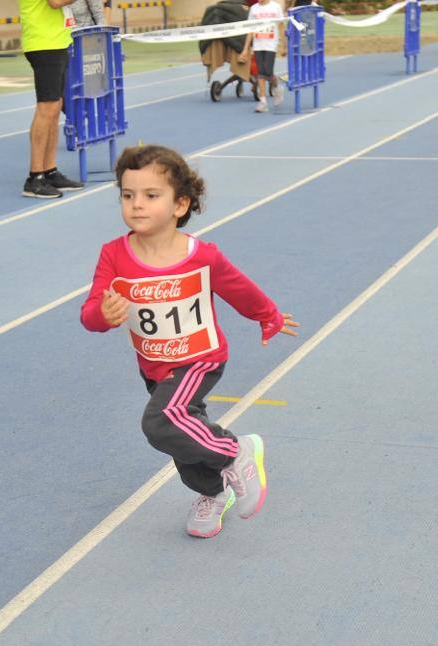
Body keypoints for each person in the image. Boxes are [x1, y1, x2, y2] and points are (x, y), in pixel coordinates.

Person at [80, 145, 299, 538]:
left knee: (161, 422)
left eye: (151, 195)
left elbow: (239, 289)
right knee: (181, 434)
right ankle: (212, 492)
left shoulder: (201, 256)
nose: (137, 205)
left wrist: (268, 317)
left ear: (180, 204)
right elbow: (92, 311)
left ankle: (235, 451)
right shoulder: (113, 255)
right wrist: (102, 315)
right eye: (127, 196)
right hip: (154, 364)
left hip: (200, 358)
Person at [19, 0, 85, 198]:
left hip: (57, 40)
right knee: (46, 108)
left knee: (55, 106)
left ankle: (49, 170)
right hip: (44, 42)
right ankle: (35, 177)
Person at [238, 0, 284, 113]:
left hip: (271, 44)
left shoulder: (275, 7)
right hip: (258, 45)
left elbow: (281, 26)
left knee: (268, 72)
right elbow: (250, 30)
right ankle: (263, 102)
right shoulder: (254, 9)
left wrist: (284, 45)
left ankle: (277, 86)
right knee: (261, 74)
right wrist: (245, 49)